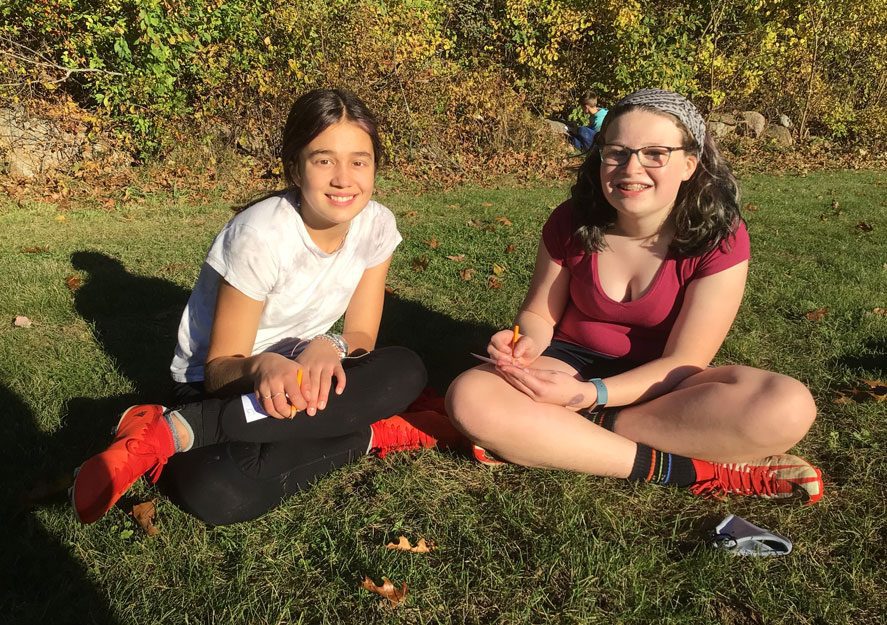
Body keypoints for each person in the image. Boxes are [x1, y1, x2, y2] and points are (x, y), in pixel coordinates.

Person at [71, 89, 460, 526]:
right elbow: (218, 370)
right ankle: (382, 429)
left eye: (359, 161)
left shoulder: (377, 225)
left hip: (303, 374)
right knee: (220, 494)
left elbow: (362, 337)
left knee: (405, 369)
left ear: (374, 167)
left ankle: (175, 432)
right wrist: (264, 367)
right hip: (226, 384)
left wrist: (329, 345)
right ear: (295, 167)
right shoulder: (258, 236)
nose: (343, 179)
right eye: (324, 160)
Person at [446, 88, 823, 504]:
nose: (631, 168)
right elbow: (538, 314)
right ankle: (695, 469)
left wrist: (589, 396)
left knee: (787, 405)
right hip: (569, 363)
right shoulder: (572, 221)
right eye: (617, 152)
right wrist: (525, 343)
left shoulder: (720, 238)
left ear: (689, 164)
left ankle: (568, 433)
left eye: (655, 153)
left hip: (664, 385)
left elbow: (683, 361)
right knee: (471, 398)